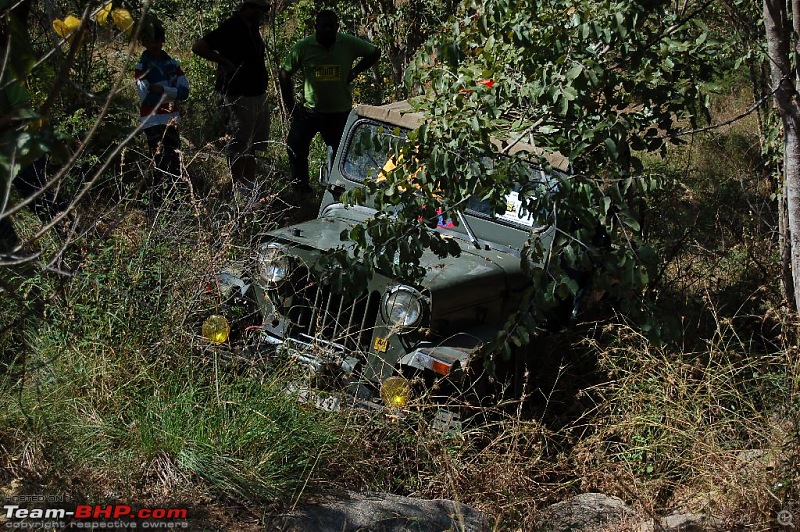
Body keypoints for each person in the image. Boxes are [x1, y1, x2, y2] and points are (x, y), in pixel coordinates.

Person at [279, 9, 380, 194]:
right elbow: (284, 72)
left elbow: (374, 52)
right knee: (295, 147)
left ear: (337, 27)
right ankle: (300, 189)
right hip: (310, 112)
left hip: (339, 112)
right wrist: (291, 106)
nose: (327, 29)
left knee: (342, 153)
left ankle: (339, 189)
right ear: (316, 27)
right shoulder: (304, 46)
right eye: (323, 26)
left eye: (331, 26)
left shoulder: (347, 42)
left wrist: (355, 71)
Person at [192, 0, 270, 198]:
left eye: (262, 9)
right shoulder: (231, 26)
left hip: (256, 93)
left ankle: (250, 190)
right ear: (244, 7)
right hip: (237, 94)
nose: (258, 12)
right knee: (239, 143)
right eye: (254, 8)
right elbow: (199, 46)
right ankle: (239, 192)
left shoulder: (252, 28)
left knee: (252, 144)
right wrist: (224, 61)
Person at [134, 18, 189, 206]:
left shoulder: (172, 65)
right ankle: (155, 204)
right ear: (143, 43)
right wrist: (172, 94)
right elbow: (146, 98)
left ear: (162, 40)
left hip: (171, 119)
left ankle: (177, 203)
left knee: (175, 162)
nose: (153, 45)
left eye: (156, 40)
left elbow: (185, 92)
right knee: (159, 162)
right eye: (149, 41)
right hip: (152, 121)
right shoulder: (141, 68)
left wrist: (163, 90)